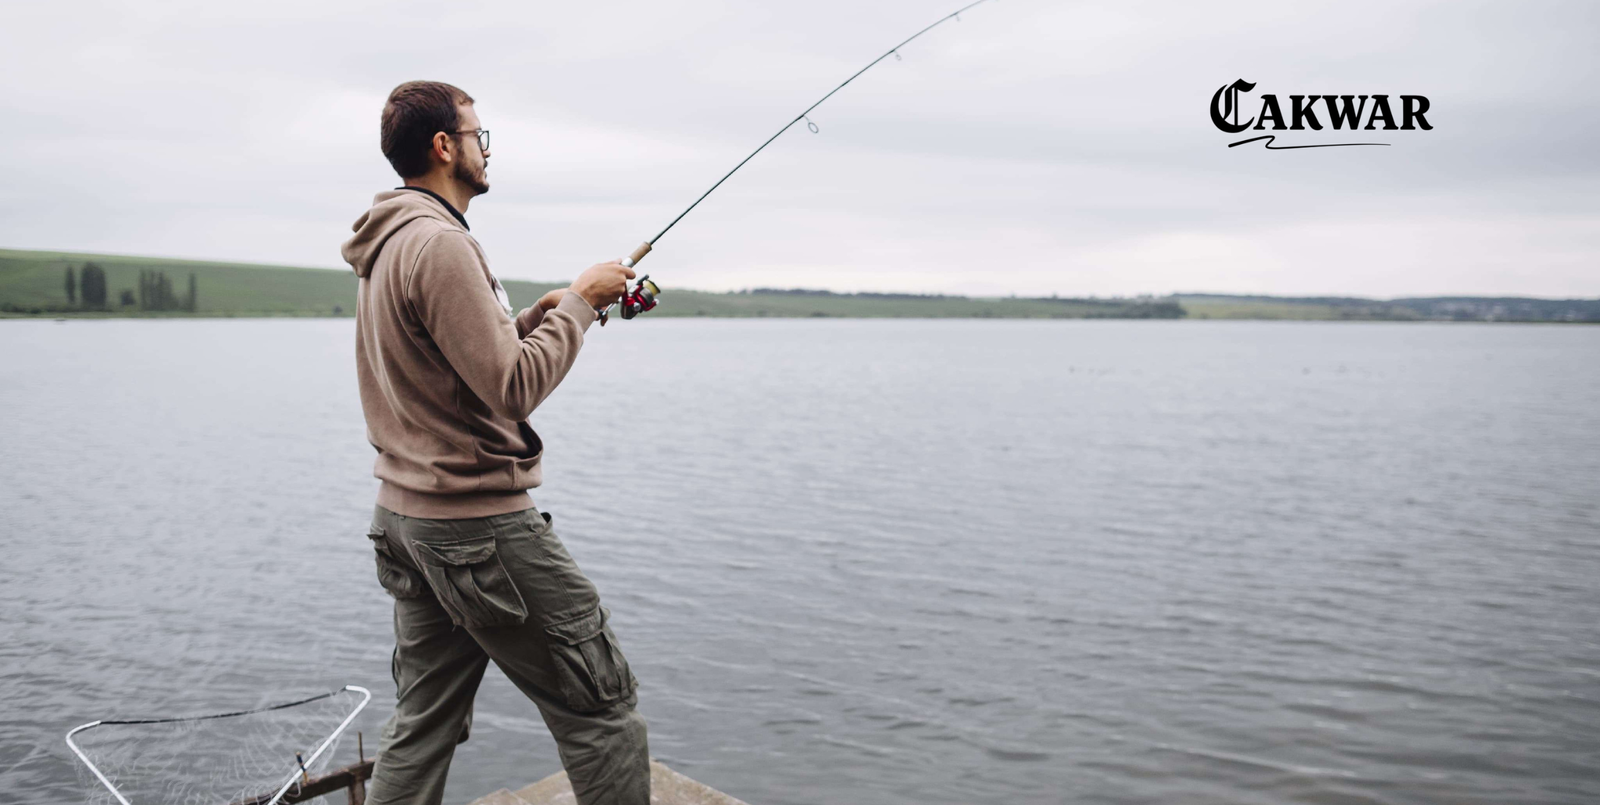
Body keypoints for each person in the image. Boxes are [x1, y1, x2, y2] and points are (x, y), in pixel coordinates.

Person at [339, 80, 648, 805]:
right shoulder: (441, 243)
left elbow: (450, 375)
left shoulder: (391, 240)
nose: (485, 149)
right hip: (475, 530)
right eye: (479, 135)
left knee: (423, 719)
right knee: (603, 709)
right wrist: (580, 303)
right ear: (445, 147)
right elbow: (512, 391)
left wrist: (539, 316)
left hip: (406, 522)